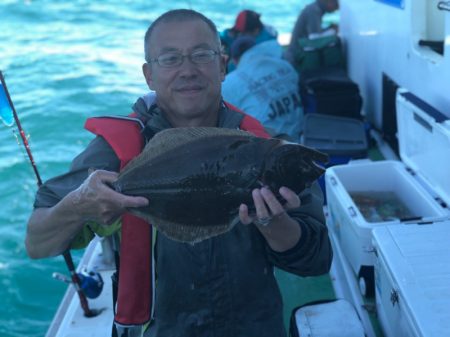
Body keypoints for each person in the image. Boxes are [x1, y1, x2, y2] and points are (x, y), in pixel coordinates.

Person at [25, 9, 332, 337]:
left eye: (201, 55)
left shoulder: (265, 146)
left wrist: (275, 224)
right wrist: (78, 205)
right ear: (149, 75)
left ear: (223, 65)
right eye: (170, 59)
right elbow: (37, 242)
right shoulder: (115, 152)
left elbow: (316, 261)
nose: (188, 70)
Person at [222, 36, 304, 141]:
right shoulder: (284, 64)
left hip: (269, 144)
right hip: (300, 136)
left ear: (235, 60)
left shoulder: (231, 81)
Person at [285, 0, 339, 65]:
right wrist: (333, 31)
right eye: (336, 5)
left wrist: (329, 29)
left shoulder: (314, 8)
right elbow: (314, 38)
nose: (336, 9)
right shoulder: (314, 10)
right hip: (297, 57)